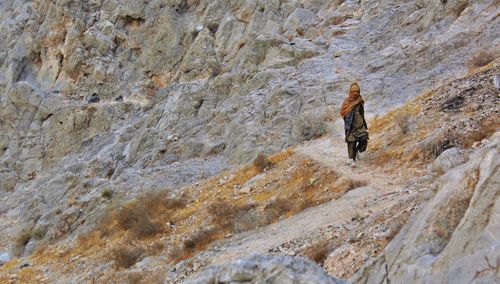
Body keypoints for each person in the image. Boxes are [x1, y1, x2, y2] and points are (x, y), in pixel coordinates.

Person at [340, 83, 368, 166]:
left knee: (364, 138)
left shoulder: (360, 100)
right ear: (350, 92)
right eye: (354, 91)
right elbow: (343, 112)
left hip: (360, 125)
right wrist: (348, 124)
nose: (356, 93)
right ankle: (352, 160)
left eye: (357, 91)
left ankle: (356, 151)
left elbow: (362, 113)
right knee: (351, 142)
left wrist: (363, 123)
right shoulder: (346, 102)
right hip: (351, 126)